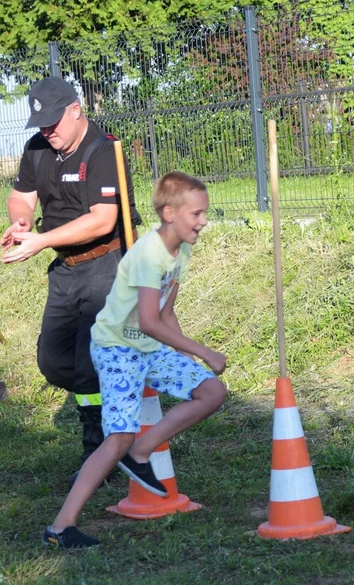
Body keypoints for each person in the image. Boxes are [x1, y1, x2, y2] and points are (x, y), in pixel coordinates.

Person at [43, 171, 227, 549]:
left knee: (211, 391)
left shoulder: (182, 252)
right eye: (197, 214)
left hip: (149, 345)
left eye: (204, 213)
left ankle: (140, 453)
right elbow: (146, 319)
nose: (204, 221)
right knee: (118, 437)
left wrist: (184, 360)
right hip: (117, 348)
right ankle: (61, 527)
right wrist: (202, 351)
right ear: (169, 213)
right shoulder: (148, 253)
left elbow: (164, 313)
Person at [1, 76, 139, 484]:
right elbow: (21, 195)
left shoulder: (103, 150)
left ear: (75, 110)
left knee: (87, 365)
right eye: (41, 124)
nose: (47, 131)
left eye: (53, 123)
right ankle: (120, 404)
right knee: (54, 362)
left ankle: (99, 453)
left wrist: (40, 240)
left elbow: (103, 220)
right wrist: (21, 219)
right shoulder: (38, 147)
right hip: (64, 269)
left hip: (106, 265)